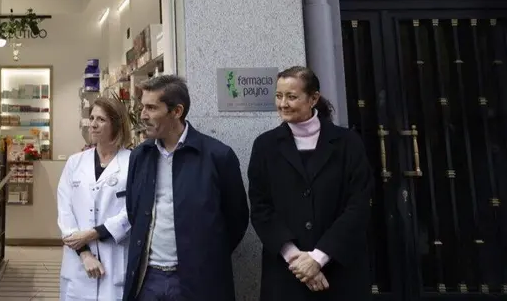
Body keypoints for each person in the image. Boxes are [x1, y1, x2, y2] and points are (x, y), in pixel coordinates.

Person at [247, 66, 373, 300]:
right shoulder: (265, 146)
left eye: (291, 97)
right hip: (287, 273)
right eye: (278, 96)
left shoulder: (347, 143)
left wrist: (319, 257)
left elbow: (358, 204)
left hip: (340, 269)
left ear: (313, 98)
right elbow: (261, 208)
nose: (283, 104)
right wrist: (298, 261)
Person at [123, 75, 249, 301]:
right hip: (147, 278)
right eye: (143, 107)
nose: (143, 115)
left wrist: (206, 256)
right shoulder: (139, 156)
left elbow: (236, 219)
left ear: (176, 111)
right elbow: (134, 211)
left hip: (197, 280)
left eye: (152, 108)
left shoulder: (217, 156)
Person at [57, 97, 133, 300]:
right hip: (78, 261)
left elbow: (132, 211)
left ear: (116, 124)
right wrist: (84, 252)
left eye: (101, 119)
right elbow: (65, 210)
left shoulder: (132, 162)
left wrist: (92, 234)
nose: (93, 124)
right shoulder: (75, 162)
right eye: (91, 118)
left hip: (113, 258)